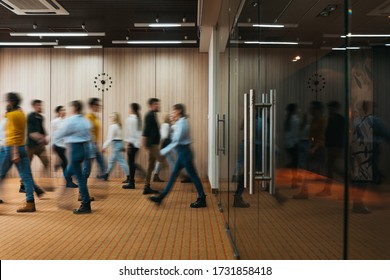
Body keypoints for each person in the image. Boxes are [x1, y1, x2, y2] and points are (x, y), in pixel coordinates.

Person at [149, 103, 207, 208]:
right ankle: (161, 197)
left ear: (179, 111)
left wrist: (162, 151)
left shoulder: (182, 123)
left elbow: (176, 141)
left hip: (185, 153)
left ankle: (202, 198)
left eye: (173, 111)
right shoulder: (180, 123)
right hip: (182, 153)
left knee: (193, 176)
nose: (172, 113)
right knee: (174, 175)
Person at [0, 92, 37, 212]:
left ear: (10, 102)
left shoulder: (11, 116)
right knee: (26, 176)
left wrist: (14, 153)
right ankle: (30, 203)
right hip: (22, 147)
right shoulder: (22, 114)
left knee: (0, 174)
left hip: (11, 148)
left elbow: (14, 134)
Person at [54, 100, 93, 214]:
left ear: (75, 108)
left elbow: (61, 133)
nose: (70, 110)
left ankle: (85, 203)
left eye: (71, 108)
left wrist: (53, 140)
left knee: (79, 178)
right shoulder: (86, 120)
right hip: (84, 149)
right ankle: (68, 195)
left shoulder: (71, 120)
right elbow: (90, 136)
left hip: (75, 150)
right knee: (68, 173)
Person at [293, 101, 326, 199]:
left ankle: (305, 192)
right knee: (308, 170)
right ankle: (304, 191)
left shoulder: (321, 120)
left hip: (319, 148)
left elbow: (322, 137)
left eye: (312, 108)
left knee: (323, 169)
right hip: (313, 146)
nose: (310, 110)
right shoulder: (314, 120)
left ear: (317, 110)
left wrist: (314, 148)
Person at [316, 101, 344, 197]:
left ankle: (328, 189)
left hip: (335, 147)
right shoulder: (331, 119)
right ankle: (327, 189)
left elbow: (341, 134)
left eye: (331, 108)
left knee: (332, 168)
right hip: (331, 147)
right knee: (331, 168)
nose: (330, 110)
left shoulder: (339, 119)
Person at [19, 99, 48, 196]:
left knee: (47, 162)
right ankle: (23, 186)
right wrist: (43, 138)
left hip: (39, 146)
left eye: (41, 105)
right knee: (26, 167)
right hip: (30, 146)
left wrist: (45, 138)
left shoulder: (40, 117)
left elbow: (43, 132)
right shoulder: (30, 116)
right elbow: (32, 134)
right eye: (38, 105)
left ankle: (43, 182)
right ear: (34, 106)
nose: (40, 107)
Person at [142, 98, 168, 195]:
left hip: (153, 144)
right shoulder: (149, 115)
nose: (158, 106)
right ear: (151, 105)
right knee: (163, 160)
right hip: (152, 145)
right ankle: (181, 173)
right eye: (156, 104)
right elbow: (145, 130)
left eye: (158, 104)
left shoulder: (153, 115)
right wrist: (144, 143)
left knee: (150, 166)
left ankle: (146, 187)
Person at [51, 105, 78, 188]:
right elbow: (52, 134)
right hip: (58, 145)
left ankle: (67, 178)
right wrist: (52, 145)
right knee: (66, 162)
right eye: (62, 110)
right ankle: (68, 181)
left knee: (65, 163)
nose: (64, 111)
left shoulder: (67, 121)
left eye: (64, 110)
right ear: (58, 112)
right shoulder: (54, 122)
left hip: (65, 145)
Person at [101, 112, 129, 182]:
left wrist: (104, 146)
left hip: (116, 145)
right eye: (110, 116)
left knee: (121, 161)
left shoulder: (113, 126)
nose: (110, 118)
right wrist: (122, 146)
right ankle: (106, 175)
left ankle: (129, 177)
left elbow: (110, 138)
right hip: (118, 144)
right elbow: (121, 137)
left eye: (112, 116)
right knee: (111, 161)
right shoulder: (118, 126)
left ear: (115, 118)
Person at [123, 103, 145, 189]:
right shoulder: (138, 119)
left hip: (132, 144)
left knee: (131, 163)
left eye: (129, 108)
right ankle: (132, 181)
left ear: (132, 109)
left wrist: (128, 143)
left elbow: (131, 133)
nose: (128, 110)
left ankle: (131, 183)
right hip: (136, 144)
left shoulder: (131, 119)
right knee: (131, 163)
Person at [83, 97, 105, 179]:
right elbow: (89, 132)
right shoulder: (89, 117)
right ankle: (81, 183)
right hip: (90, 144)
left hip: (94, 144)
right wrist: (94, 144)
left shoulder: (95, 117)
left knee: (102, 163)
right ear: (92, 105)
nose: (99, 107)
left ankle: (101, 175)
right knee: (87, 167)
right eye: (97, 105)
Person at [284, 103, 300, 189]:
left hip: (288, 143)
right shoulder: (295, 119)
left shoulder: (287, 119)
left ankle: (293, 180)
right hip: (294, 143)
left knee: (294, 162)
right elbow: (297, 132)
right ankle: (294, 181)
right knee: (295, 164)